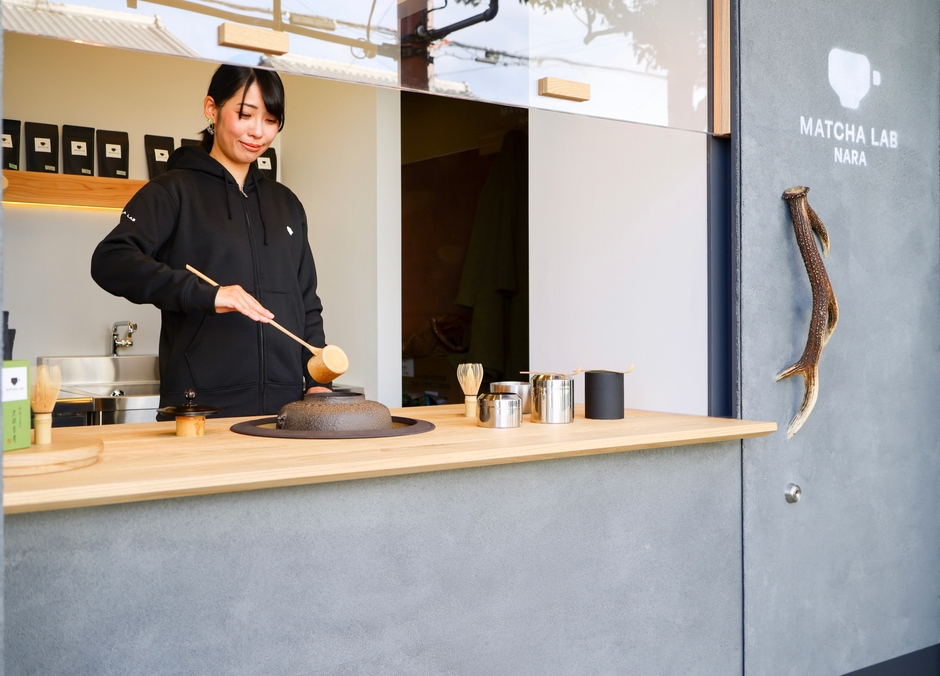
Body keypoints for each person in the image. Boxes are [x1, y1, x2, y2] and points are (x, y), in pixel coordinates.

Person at [91, 64, 330, 417]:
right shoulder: (172, 191)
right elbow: (111, 260)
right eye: (245, 114)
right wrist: (207, 293)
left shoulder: (286, 204)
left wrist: (317, 379)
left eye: (270, 120)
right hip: (200, 408)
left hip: (287, 410)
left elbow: (306, 300)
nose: (257, 132)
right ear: (211, 109)